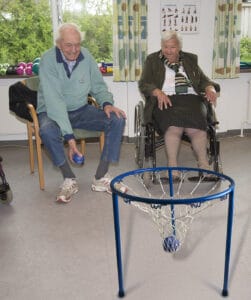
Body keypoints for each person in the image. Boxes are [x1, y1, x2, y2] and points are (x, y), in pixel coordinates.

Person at [37, 23, 126, 203]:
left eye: (77, 44)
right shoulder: (48, 60)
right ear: (59, 44)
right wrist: (70, 140)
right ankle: (69, 179)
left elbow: (98, 86)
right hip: (51, 111)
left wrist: (107, 103)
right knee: (46, 130)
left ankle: (100, 177)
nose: (74, 50)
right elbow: (55, 102)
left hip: (80, 109)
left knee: (117, 119)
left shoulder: (86, 56)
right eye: (69, 45)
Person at [138, 30, 220, 176]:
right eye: (165, 46)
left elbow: (203, 80)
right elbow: (144, 83)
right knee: (173, 126)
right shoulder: (152, 60)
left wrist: (210, 87)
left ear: (179, 47)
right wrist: (157, 92)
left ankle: (203, 163)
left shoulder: (190, 59)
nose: (168, 50)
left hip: (191, 99)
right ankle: (172, 166)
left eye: (172, 47)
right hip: (166, 98)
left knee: (198, 127)